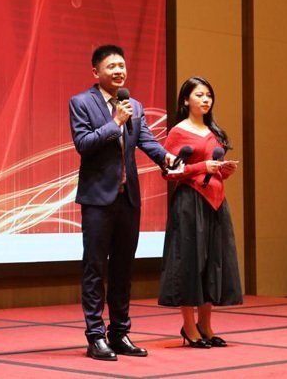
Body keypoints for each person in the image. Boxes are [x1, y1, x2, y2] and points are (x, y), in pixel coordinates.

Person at [69, 44, 176, 361]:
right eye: (112, 66)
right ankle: (95, 336)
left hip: (128, 199)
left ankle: (119, 333)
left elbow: (146, 141)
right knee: (95, 268)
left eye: (122, 66)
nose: (119, 71)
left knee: (123, 268)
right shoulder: (81, 103)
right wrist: (114, 122)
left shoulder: (134, 106)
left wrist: (166, 158)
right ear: (96, 72)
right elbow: (83, 144)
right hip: (97, 199)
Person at [158, 76, 243, 348]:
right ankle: (189, 326)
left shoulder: (213, 131)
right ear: (186, 100)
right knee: (190, 262)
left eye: (209, 95)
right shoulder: (178, 132)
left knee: (212, 262)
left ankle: (206, 325)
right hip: (189, 203)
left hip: (216, 202)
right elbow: (169, 172)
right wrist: (201, 167)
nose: (206, 99)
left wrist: (224, 170)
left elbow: (214, 167)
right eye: (199, 95)